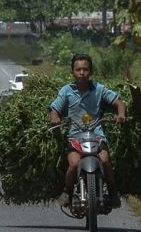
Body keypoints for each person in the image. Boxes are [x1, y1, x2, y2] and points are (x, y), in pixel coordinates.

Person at [49, 54, 126, 208]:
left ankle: (112, 192)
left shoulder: (99, 89)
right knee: (74, 164)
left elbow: (118, 102)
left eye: (85, 69)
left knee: (104, 161)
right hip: (75, 138)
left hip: (97, 136)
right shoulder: (66, 91)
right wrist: (55, 118)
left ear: (91, 72)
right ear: (73, 72)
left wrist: (121, 114)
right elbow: (54, 109)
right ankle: (67, 192)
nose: (82, 73)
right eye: (78, 70)